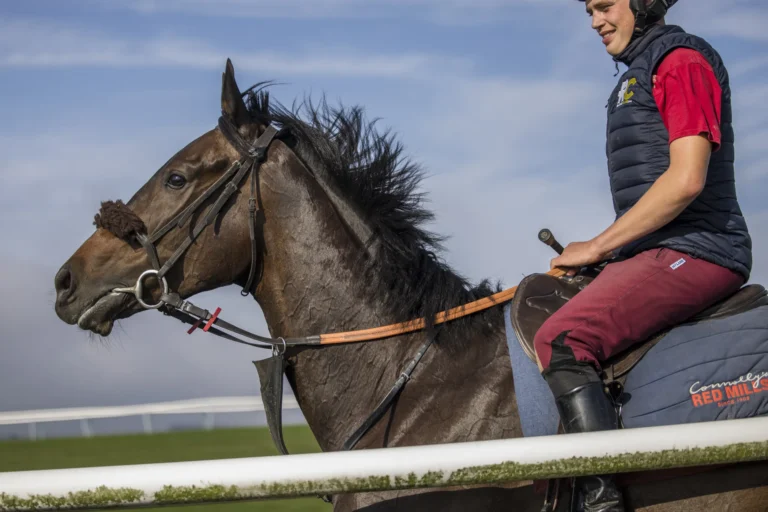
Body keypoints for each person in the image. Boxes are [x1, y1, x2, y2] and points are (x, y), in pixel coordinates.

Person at [533, 1, 752, 510]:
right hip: (660, 249)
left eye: (605, 6)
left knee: (562, 339)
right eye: (588, 10)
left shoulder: (680, 60)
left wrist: (600, 244)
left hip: (700, 248)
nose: (595, 21)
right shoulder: (638, 71)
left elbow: (686, 178)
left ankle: (600, 501)